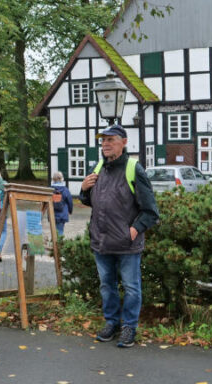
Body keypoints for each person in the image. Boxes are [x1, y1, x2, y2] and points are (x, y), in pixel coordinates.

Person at [79, 125, 159, 348]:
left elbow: (151, 211)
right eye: (103, 140)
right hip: (101, 242)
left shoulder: (134, 168)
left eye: (110, 140)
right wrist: (84, 189)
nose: (105, 144)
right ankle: (112, 323)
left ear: (123, 142)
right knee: (107, 286)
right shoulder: (99, 167)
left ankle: (129, 327)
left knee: (131, 287)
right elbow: (91, 201)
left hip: (126, 243)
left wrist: (132, 231)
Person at [51, 171, 74, 238]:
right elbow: (70, 202)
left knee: (53, 231)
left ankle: (54, 246)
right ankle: (58, 246)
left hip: (52, 213)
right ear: (62, 179)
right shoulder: (65, 190)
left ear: (53, 179)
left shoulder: (50, 189)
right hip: (62, 214)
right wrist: (70, 211)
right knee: (60, 231)